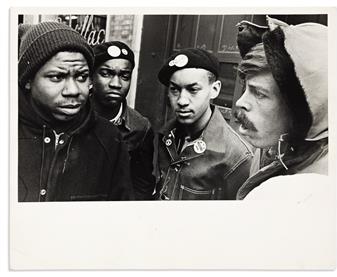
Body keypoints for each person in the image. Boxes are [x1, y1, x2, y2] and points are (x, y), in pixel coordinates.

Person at [18, 21, 133, 201]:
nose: (73, 90)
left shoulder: (109, 139)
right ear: (28, 80)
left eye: (81, 77)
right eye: (57, 77)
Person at [234, 16, 328, 200]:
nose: (240, 102)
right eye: (246, 88)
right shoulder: (273, 146)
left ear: (301, 109)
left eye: (259, 93)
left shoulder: (316, 187)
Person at [155, 48, 253, 200]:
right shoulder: (166, 135)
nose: (181, 101)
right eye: (174, 90)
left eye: (193, 90)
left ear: (214, 89)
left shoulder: (237, 156)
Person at [91, 41, 155, 200]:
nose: (116, 84)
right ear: (91, 76)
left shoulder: (140, 127)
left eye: (124, 76)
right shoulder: (74, 115)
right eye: (106, 73)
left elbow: (142, 184)